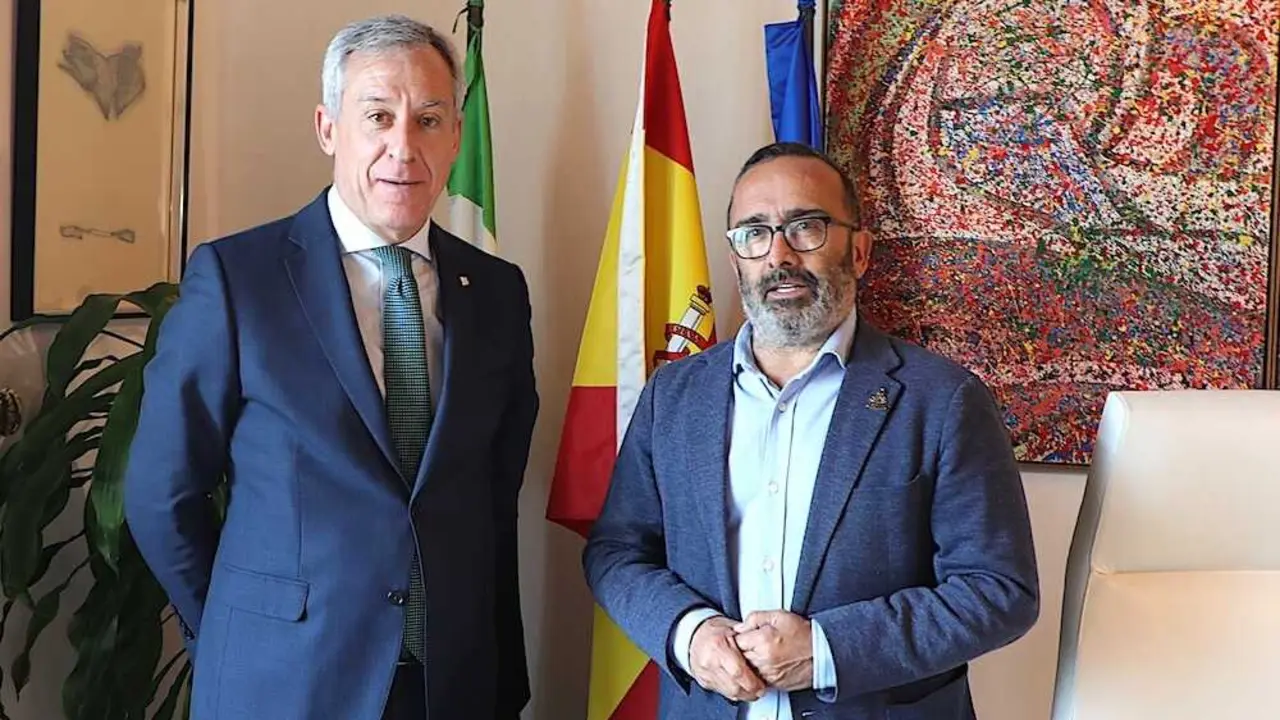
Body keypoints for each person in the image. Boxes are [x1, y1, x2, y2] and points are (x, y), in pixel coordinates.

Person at [124, 15, 537, 720]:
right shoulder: (237, 279)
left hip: (449, 682)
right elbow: (161, 496)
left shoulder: (497, 291)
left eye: (429, 119)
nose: (403, 148)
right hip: (284, 682)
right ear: (328, 129)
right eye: (377, 115)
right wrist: (238, 630)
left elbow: (493, 497)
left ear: (456, 136)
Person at [583, 142, 1039, 719]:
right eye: (754, 233)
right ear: (736, 260)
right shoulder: (673, 398)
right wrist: (689, 633)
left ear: (860, 251)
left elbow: (999, 590)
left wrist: (826, 649)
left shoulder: (943, 400)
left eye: (806, 227)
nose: (779, 255)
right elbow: (617, 551)